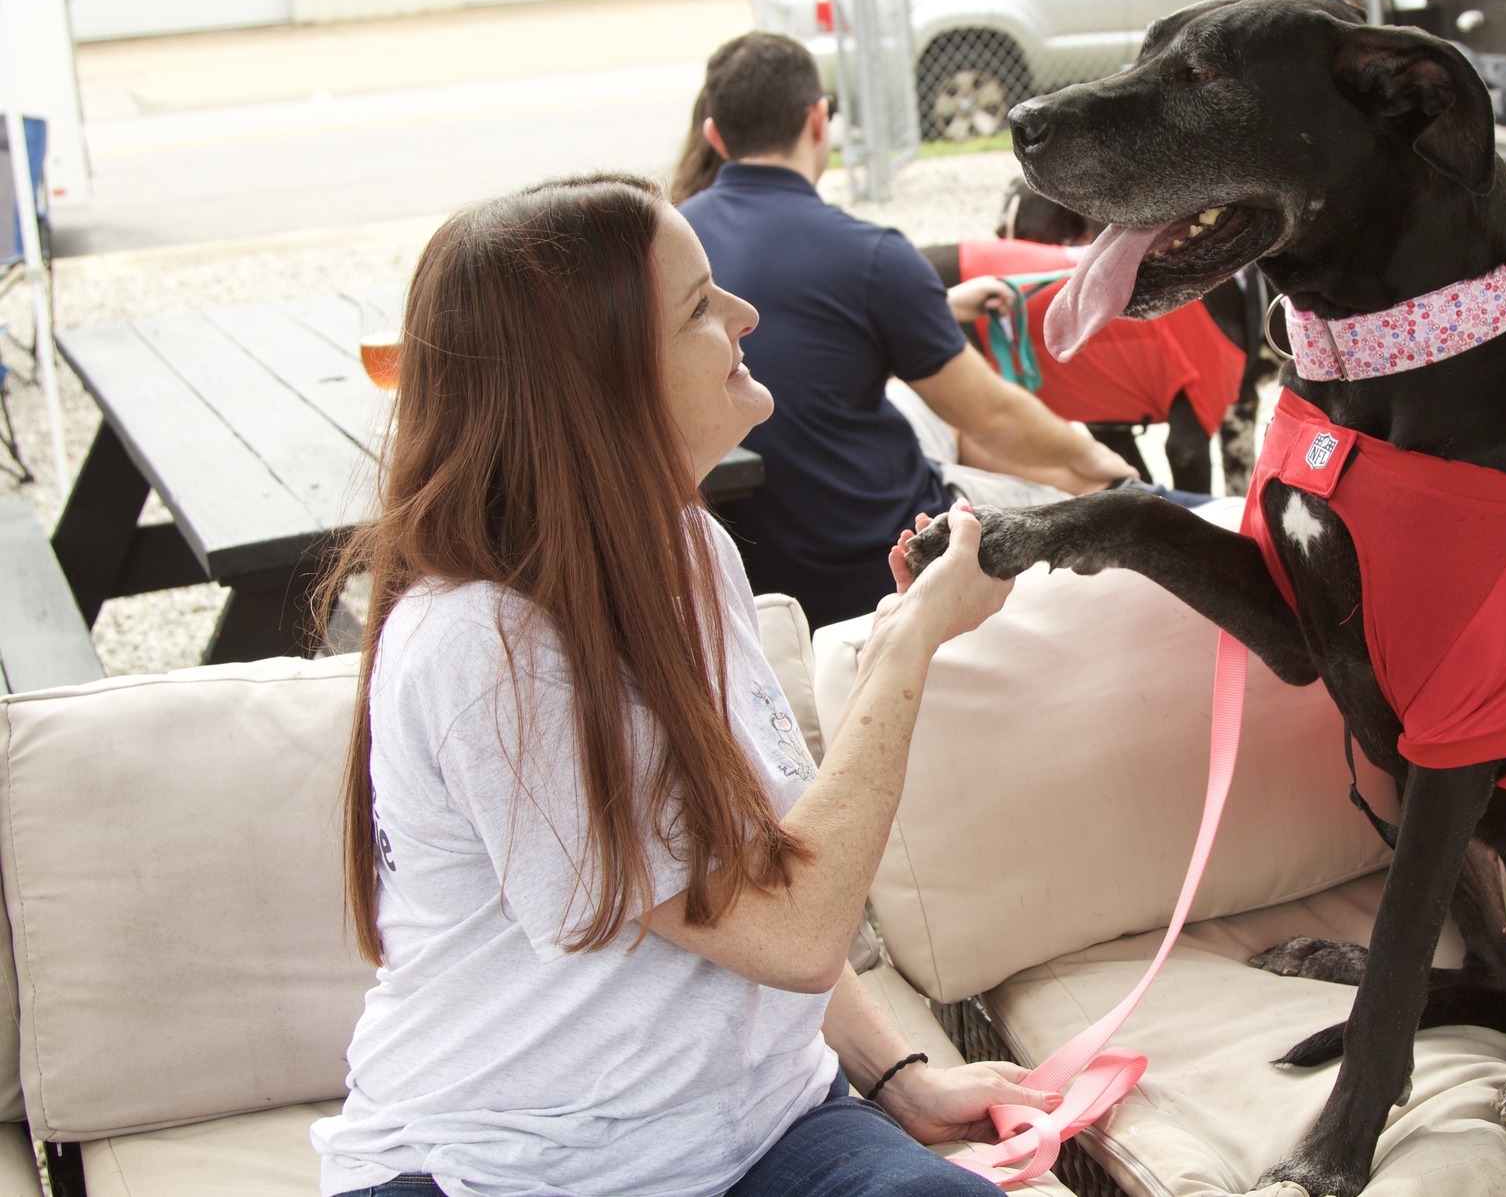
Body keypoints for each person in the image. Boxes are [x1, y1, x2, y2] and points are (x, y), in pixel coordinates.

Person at [309, 174, 1042, 1197]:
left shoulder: (687, 543)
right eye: (701, 307)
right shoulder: (488, 644)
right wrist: (907, 648)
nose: (745, 316)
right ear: (598, 380)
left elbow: (739, 865)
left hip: (756, 1132)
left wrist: (897, 1077)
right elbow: (789, 926)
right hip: (515, 1170)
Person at [680, 32, 1136, 627]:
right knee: (1079, 487)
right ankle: (1164, 502)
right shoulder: (869, 256)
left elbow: (804, 328)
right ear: (819, 122)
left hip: (756, 568)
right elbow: (994, 420)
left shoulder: (674, 251)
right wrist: (1102, 461)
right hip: (889, 552)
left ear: (716, 135)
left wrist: (934, 308)